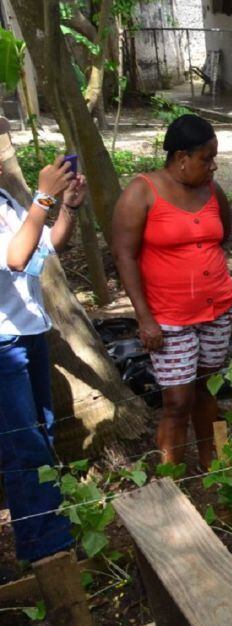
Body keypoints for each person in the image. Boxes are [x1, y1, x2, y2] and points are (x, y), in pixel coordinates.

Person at [114, 115, 232, 467]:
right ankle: (172, 478)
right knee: (177, 402)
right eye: (206, 158)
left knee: (205, 389)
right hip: (169, 318)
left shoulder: (213, 191)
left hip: (218, 309)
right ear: (181, 157)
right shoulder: (141, 192)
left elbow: (222, 235)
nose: (213, 166)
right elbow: (124, 255)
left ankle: (213, 464)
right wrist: (144, 318)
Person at [0, 155, 80, 565]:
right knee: (23, 446)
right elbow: (15, 257)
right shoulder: (25, 202)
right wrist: (44, 196)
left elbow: (46, 246)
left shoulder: (6, 202)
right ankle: (46, 548)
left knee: (42, 434)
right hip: (3, 344)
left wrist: (68, 205)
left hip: (27, 332)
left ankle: (50, 528)